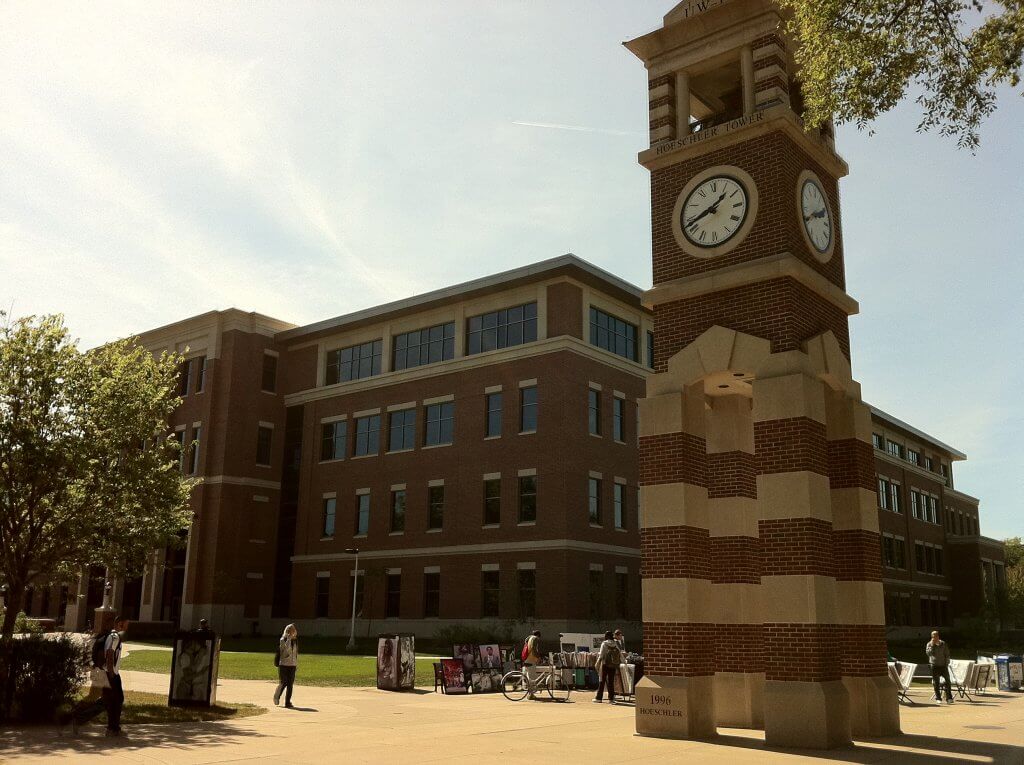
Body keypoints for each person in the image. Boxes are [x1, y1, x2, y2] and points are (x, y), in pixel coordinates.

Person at [71, 615, 128, 736]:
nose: (127, 627)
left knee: (108, 701)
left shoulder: (110, 636)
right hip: (111, 674)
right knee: (116, 700)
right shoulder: (115, 637)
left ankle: (81, 719)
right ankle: (113, 729)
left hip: (105, 673)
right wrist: (111, 674)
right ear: (120, 624)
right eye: (126, 624)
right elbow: (110, 653)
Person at [593, 630, 623, 704]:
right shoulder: (615, 643)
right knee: (611, 682)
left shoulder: (604, 643)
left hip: (605, 664)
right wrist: (624, 662)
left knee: (602, 681)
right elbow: (619, 653)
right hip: (613, 665)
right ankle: (611, 699)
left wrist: (597, 663)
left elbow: (601, 655)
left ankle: (599, 698)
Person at [926, 630, 954, 705]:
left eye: (935, 636)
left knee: (948, 681)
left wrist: (947, 662)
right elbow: (929, 654)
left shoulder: (943, 643)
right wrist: (932, 645)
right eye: (933, 636)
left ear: (938, 636)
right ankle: (938, 698)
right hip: (934, 665)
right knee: (936, 682)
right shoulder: (929, 644)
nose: (934, 638)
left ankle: (949, 698)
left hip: (943, 666)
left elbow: (947, 653)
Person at [274, 624, 299, 708]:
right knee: (284, 682)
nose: (294, 631)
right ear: (287, 631)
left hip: (292, 665)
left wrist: (296, 664)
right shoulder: (282, 640)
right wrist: (288, 639)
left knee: (290, 684)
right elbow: (285, 652)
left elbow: (295, 653)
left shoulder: (295, 641)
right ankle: (277, 696)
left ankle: (287, 702)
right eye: (292, 629)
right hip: (283, 665)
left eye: (294, 629)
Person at [523, 630, 542, 699]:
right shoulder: (535, 638)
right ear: (538, 636)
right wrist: (538, 657)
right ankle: (531, 694)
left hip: (526, 659)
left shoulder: (529, 639)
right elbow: (534, 649)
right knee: (533, 678)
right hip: (531, 660)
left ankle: (529, 693)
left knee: (529, 678)